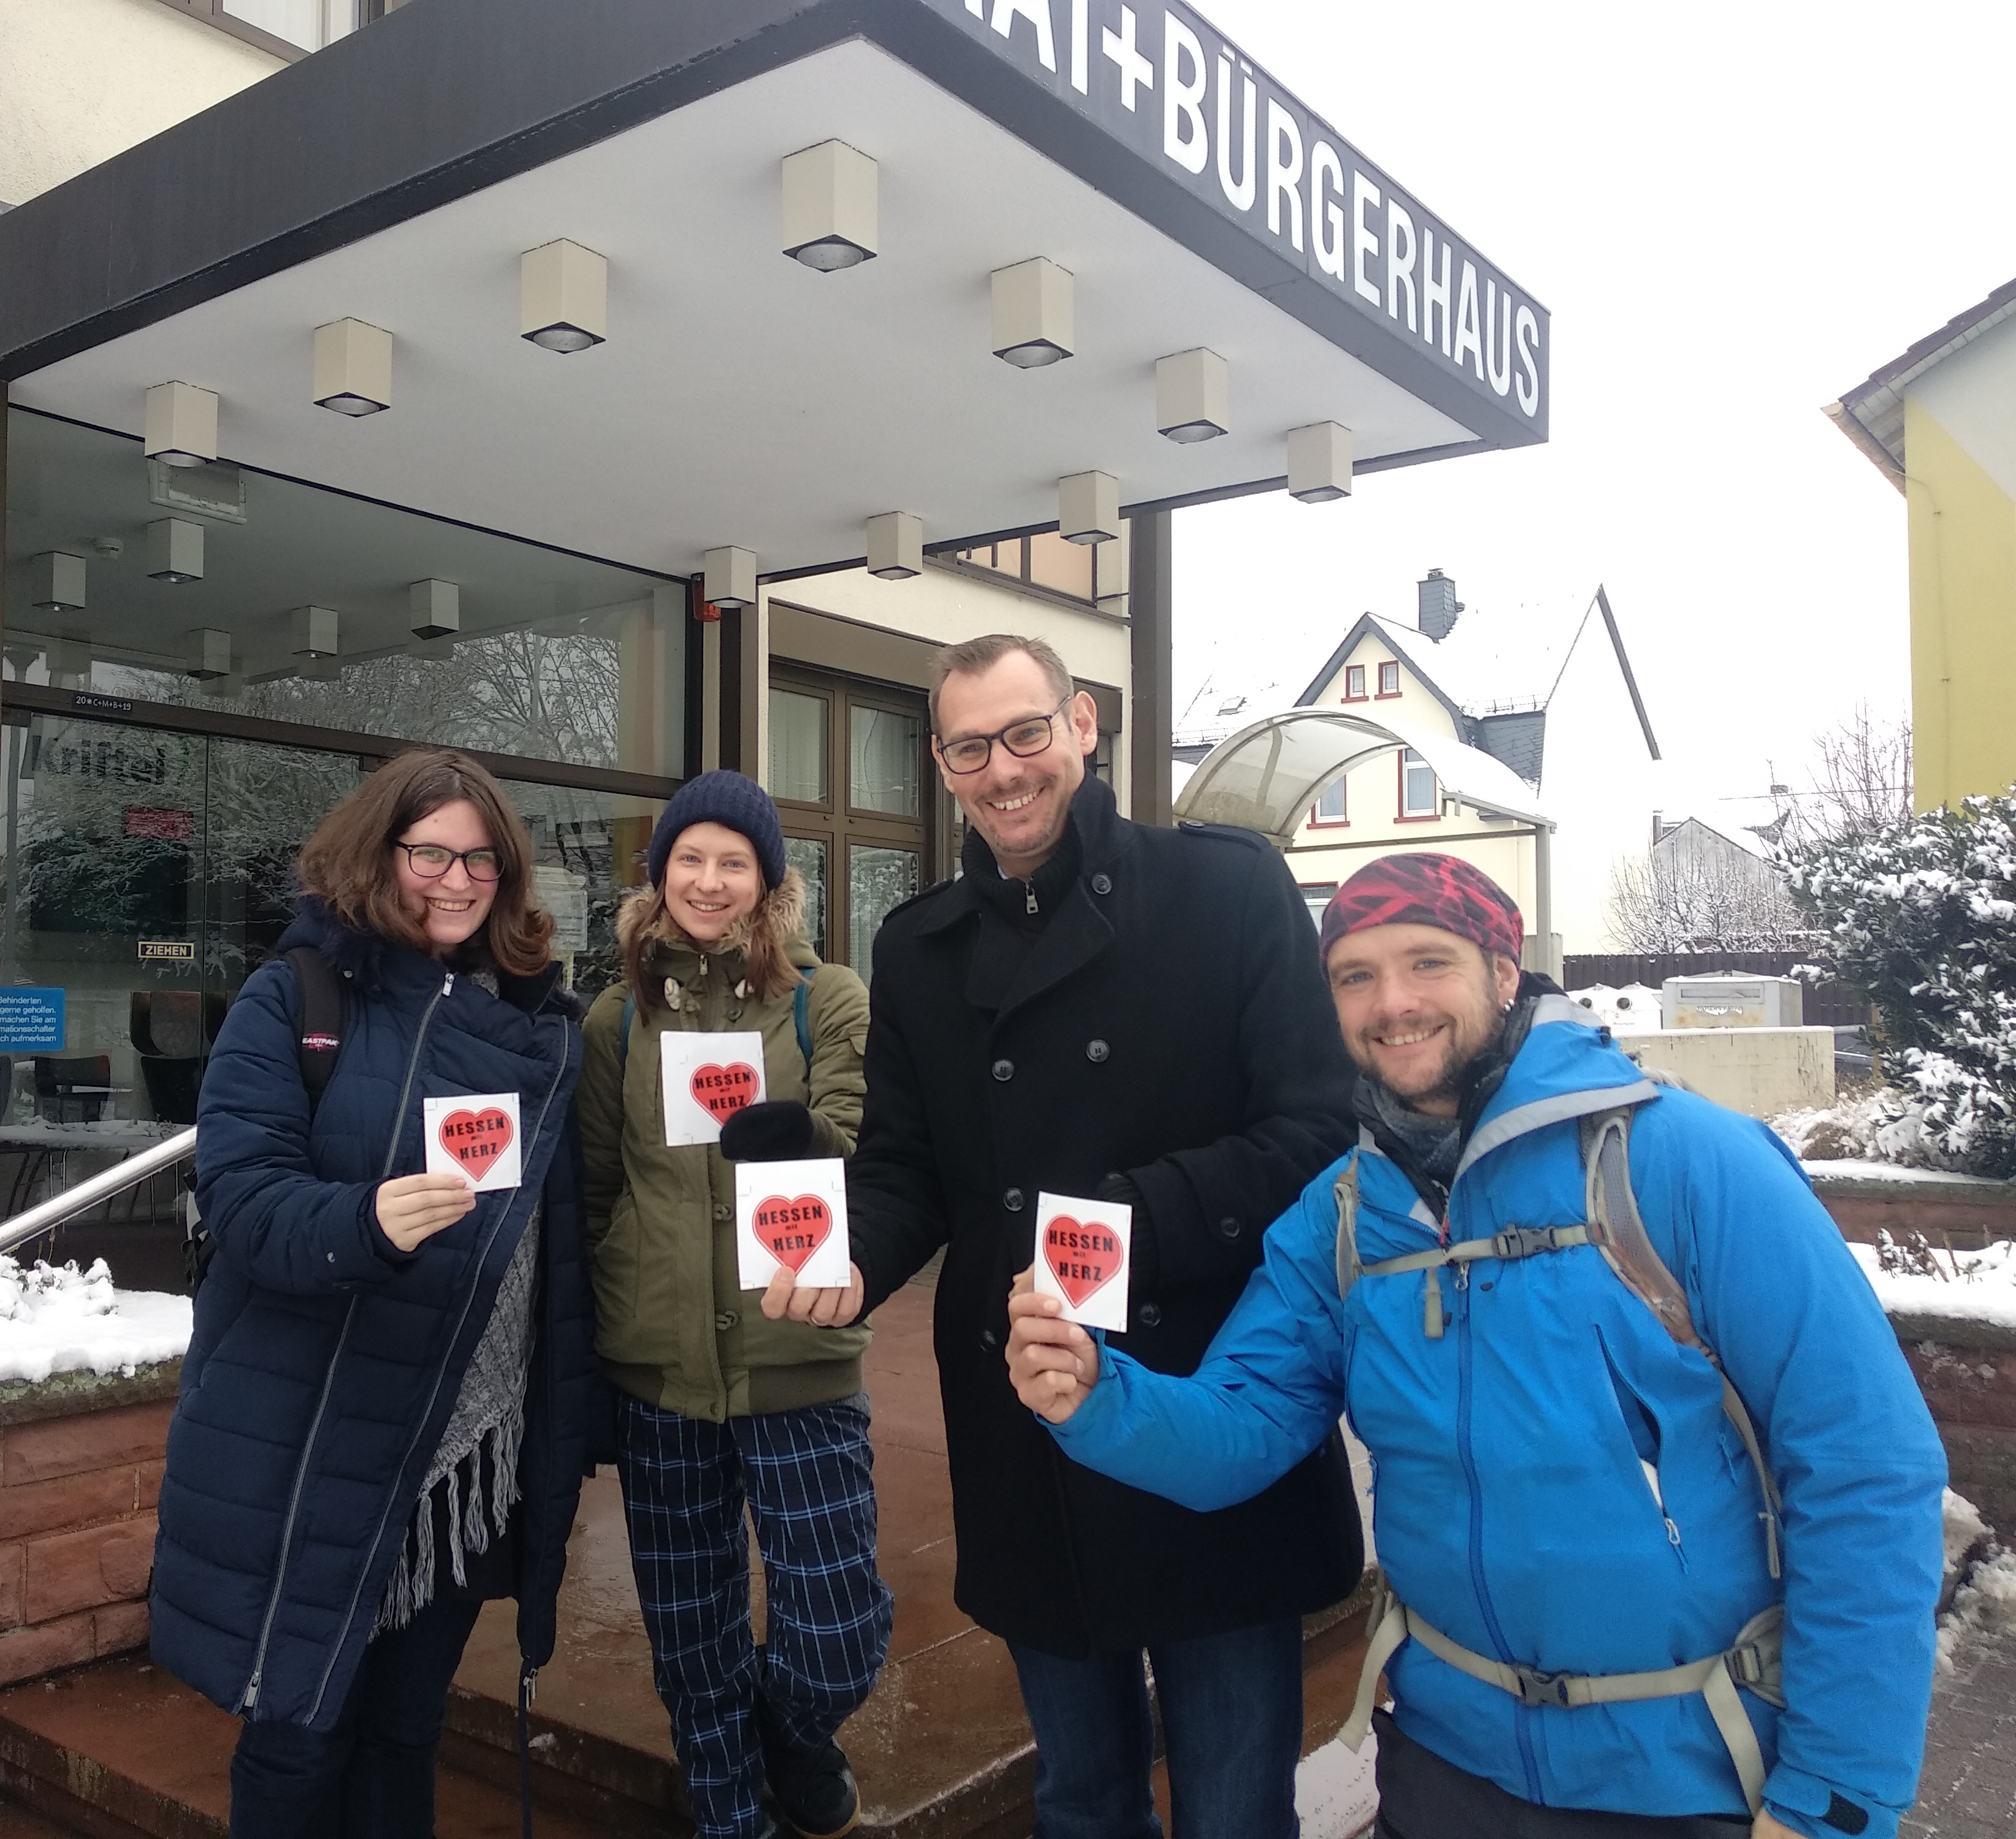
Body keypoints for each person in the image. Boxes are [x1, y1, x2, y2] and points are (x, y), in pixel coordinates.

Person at [1007, 852, 1947, 1839]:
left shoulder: (1685, 1161)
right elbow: (1242, 1428)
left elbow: (1864, 1465)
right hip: (1445, 1770)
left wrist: (1834, 1796)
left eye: (1427, 962)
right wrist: (1098, 1397)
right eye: (1355, 976)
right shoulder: (1340, 1216)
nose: (1393, 1003)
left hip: (1696, 1773)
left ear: (1504, 972)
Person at [766, 634, 1365, 1838]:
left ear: (1081, 726)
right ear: (940, 764)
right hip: (1024, 1406)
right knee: (1082, 1798)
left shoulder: (1225, 888)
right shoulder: (918, 947)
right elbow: (904, 1168)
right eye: (970, 748)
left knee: (1232, 1805)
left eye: (1025, 733)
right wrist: (851, 1256)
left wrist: (1121, 1221)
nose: (1003, 771)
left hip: (1207, 1397)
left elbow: (1314, 1131)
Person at [148, 747, 606, 1839]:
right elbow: (245, 1200)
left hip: (466, 1453)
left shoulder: (542, 1026)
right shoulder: (295, 997)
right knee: (299, 1729)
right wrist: (361, 1224)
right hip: (319, 1434)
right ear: (378, 855)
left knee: (406, 1729)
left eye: (480, 861)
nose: (455, 881)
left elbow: (562, 1244)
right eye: (430, 854)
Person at [579, 769, 893, 1839]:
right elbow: (595, 1190)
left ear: (768, 881)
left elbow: (855, 1151)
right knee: (691, 1635)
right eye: (689, 860)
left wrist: (792, 1138)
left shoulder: (827, 996)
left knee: (836, 1632)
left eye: (733, 862)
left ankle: (795, 1739)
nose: (709, 883)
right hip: (657, 1366)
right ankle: (732, 1819)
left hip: (795, 1350)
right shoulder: (617, 1020)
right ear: (659, 874)